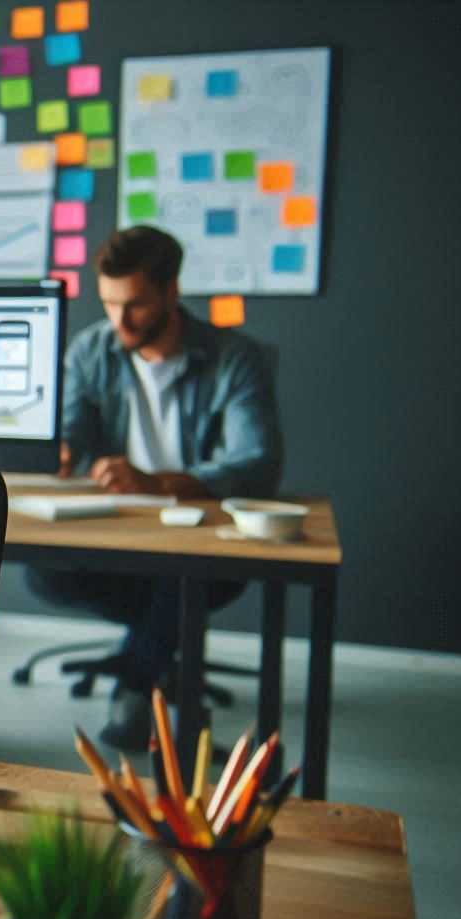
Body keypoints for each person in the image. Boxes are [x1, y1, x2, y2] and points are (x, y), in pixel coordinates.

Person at [28, 226, 283, 750]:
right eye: (109, 304)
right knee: (44, 574)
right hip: (117, 529)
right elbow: (71, 437)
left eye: (136, 305)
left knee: (180, 580)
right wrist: (56, 450)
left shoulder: (236, 357)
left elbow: (256, 463)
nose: (119, 321)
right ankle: (154, 652)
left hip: (198, 534)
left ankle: (135, 682)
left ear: (171, 291)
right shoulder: (90, 349)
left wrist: (160, 483)